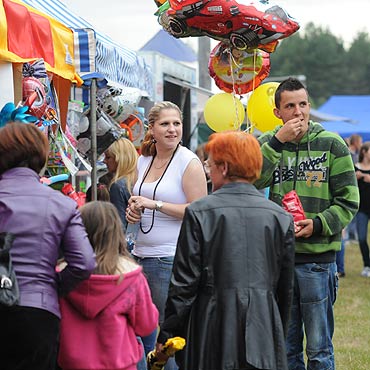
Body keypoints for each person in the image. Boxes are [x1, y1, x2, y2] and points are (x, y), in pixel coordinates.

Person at [155, 131, 295, 370]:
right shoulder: (280, 216)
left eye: (211, 164)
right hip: (263, 323)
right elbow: (285, 288)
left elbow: (184, 283)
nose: (208, 171)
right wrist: (275, 329)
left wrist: (167, 334)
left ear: (225, 167)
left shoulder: (200, 212)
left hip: (212, 324)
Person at [254, 77, 359, 370]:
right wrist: (278, 142)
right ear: (278, 112)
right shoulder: (268, 143)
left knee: (318, 348)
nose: (298, 112)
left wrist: (318, 224)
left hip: (318, 261)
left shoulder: (332, 144)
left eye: (303, 104)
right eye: (290, 106)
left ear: (310, 106)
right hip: (279, 261)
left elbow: (349, 201)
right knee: (285, 350)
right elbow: (252, 181)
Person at [0, 122, 96, 370]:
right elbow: (84, 263)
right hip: (38, 310)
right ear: (41, 157)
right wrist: (51, 285)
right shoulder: (60, 204)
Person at [126, 101, 207, 369]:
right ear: (151, 128)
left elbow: (199, 210)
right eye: (165, 124)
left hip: (170, 258)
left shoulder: (188, 162)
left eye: (176, 124)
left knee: (165, 337)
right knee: (141, 332)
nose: (172, 129)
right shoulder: (144, 160)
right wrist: (134, 211)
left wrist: (155, 205)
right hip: (139, 255)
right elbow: (139, 199)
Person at [58, 201, 159, 370]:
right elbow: (146, 325)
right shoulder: (131, 278)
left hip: (71, 363)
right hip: (119, 364)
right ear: (116, 233)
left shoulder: (63, 275)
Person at [103, 137, 138, 230]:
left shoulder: (117, 186)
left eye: (108, 157)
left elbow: (119, 226)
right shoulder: (139, 180)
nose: (104, 161)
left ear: (119, 158)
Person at [354, 142, 370, 277]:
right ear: (364, 152)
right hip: (361, 210)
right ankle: (367, 265)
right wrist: (356, 177)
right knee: (362, 238)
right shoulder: (356, 168)